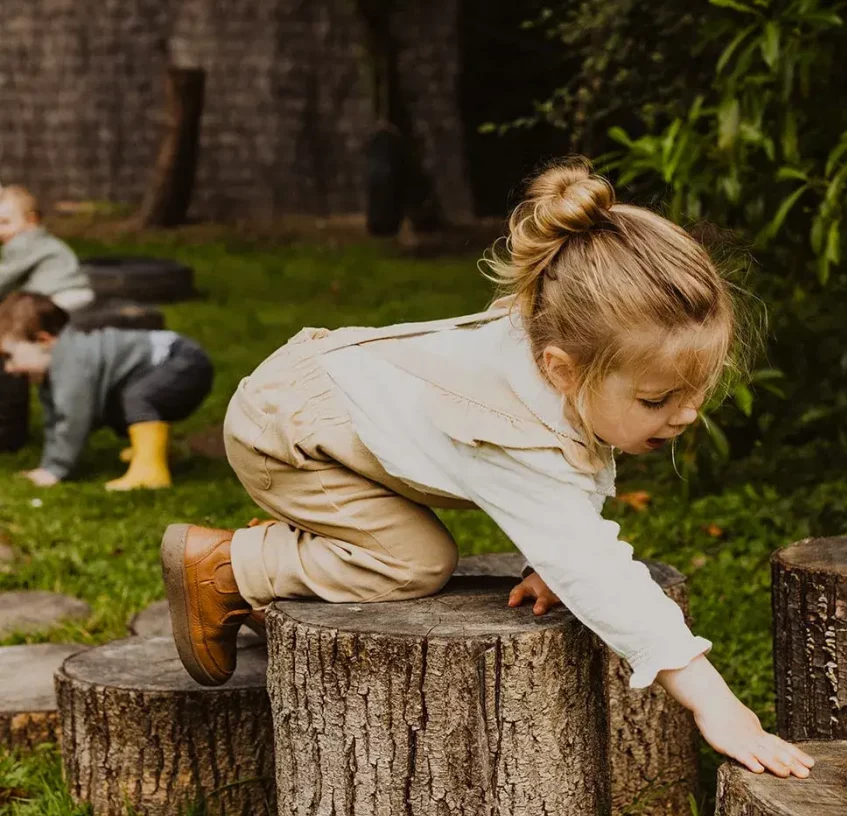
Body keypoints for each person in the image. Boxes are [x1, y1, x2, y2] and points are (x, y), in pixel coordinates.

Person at [160, 159, 813, 780]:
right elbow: (597, 572)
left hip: (324, 409)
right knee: (414, 562)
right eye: (657, 400)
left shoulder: (558, 347)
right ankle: (229, 567)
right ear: (562, 370)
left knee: (421, 548)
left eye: (697, 391)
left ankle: (305, 551)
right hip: (286, 434)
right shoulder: (506, 428)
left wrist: (545, 557)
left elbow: (571, 481)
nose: (685, 415)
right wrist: (708, 698)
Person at [0, 291, 213, 490]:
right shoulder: (54, 370)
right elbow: (55, 420)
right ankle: (158, 452)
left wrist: (54, 470)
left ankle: (151, 471)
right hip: (166, 364)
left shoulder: (71, 364)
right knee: (119, 402)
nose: (9, 369)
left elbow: (72, 418)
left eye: (10, 356)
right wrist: (47, 465)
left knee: (136, 398)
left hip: (184, 362)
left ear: (43, 340)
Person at [0, 186, 95, 313]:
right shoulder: (41, 240)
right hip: (77, 289)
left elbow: (7, 276)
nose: (1, 230)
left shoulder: (22, 242)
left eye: (5, 222)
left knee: (21, 316)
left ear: (31, 220)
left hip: (55, 292)